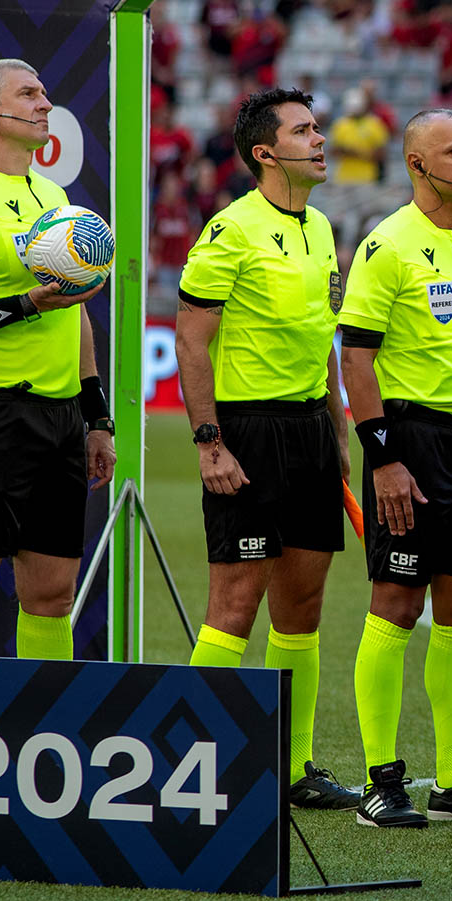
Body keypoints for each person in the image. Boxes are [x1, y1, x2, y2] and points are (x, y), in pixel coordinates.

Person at [174, 88, 359, 809]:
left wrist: (336, 426)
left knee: (302, 606)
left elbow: (323, 336)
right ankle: (190, 767)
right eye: (304, 131)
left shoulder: (321, 228)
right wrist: (209, 443)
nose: (320, 139)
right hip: (247, 433)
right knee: (235, 604)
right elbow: (191, 342)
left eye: (317, 128)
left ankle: (292, 765)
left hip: (310, 430)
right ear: (265, 152)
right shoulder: (230, 230)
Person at [339, 109, 452, 829]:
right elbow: (355, 358)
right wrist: (383, 458)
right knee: (396, 603)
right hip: (410, 440)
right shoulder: (386, 244)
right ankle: (380, 779)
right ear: (417, 164)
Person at [0, 59, 113, 660]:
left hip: (60, 421)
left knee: (53, 594)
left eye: (45, 92)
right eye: (29, 94)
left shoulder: (53, 196)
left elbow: (73, 314)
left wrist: (96, 416)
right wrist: (23, 305)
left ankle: (44, 717)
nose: (45, 103)